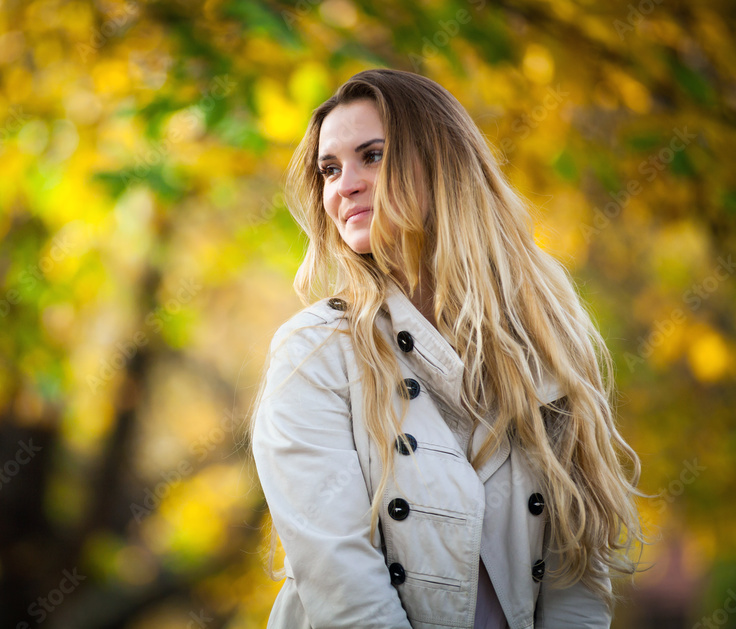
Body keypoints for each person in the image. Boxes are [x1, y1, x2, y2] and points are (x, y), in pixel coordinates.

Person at [247, 69, 645, 628]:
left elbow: (577, 567)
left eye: (373, 156)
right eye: (330, 170)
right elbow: (340, 580)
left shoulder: (542, 340)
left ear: (444, 165)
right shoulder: (314, 351)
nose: (345, 185)